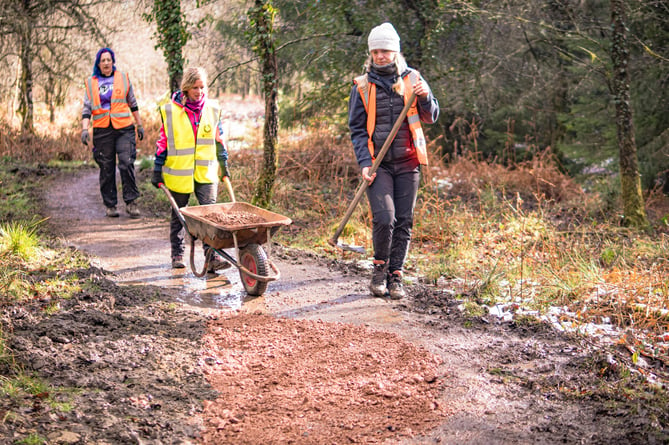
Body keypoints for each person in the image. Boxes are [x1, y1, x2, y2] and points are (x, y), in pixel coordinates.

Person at [348, 23, 440, 300]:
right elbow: (357, 129)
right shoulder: (362, 86)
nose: (380, 56)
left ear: (395, 52)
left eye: (385, 50)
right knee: (385, 219)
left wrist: (426, 97)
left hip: (408, 162)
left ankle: (396, 274)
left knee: (404, 221)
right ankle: (379, 269)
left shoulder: (413, 80)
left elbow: (431, 116)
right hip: (379, 165)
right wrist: (365, 162)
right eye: (375, 51)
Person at [151, 67, 231, 271]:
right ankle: (177, 254)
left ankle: (211, 257)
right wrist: (157, 168)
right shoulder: (171, 111)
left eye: (202, 87)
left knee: (209, 215)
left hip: (206, 172)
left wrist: (224, 166)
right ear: (186, 88)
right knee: (179, 215)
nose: (199, 91)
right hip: (179, 171)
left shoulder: (212, 110)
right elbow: (163, 142)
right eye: (195, 87)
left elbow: (219, 140)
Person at [81, 47, 144, 218]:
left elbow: (133, 102)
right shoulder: (91, 82)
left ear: (113, 62)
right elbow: (87, 108)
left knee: (126, 162)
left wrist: (139, 124)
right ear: (98, 64)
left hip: (124, 127)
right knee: (106, 167)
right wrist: (85, 129)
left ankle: (131, 202)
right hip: (102, 129)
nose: (106, 63)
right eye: (103, 60)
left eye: (109, 60)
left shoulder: (122, 78)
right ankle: (110, 205)